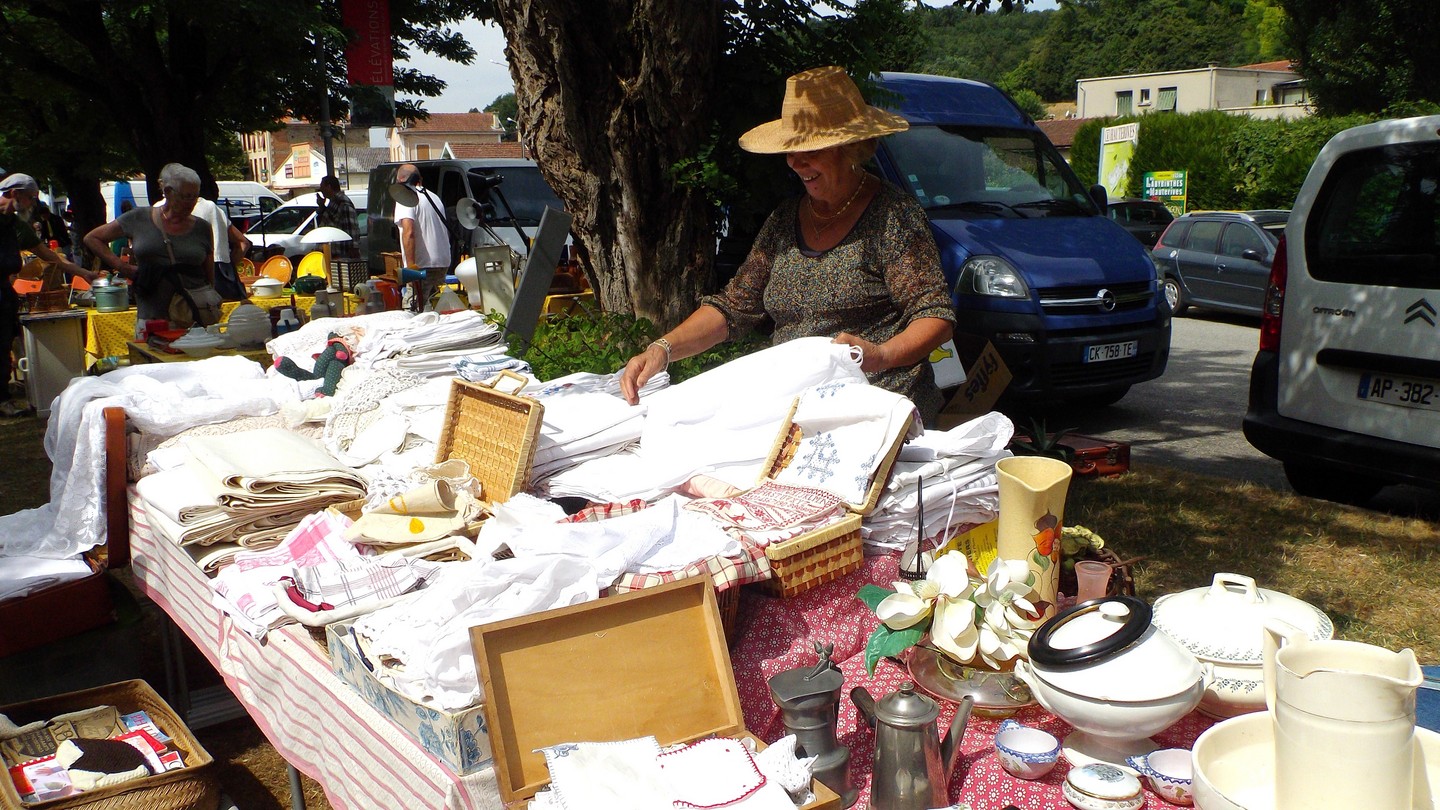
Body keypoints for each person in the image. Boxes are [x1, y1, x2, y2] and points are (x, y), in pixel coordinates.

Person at [619, 66, 956, 424]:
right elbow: (735, 306)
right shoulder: (784, 220)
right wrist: (662, 349)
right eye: (791, 150)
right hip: (795, 406)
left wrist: (881, 355)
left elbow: (934, 315)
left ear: (849, 147)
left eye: (809, 149)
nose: (795, 162)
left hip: (878, 403)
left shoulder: (893, 216)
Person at [1, 173, 95, 414]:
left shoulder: (16, 225)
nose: (33, 203)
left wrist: (84, 273)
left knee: (4, 343)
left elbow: (50, 256)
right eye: (31, 198)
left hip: (4, 291)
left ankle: (3, 399)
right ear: (15, 194)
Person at [83, 163, 219, 327]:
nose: (191, 203)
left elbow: (209, 276)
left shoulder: (202, 227)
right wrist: (122, 267)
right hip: (152, 318)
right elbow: (92, 238)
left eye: (195, 197)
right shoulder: (139, 218)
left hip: (194, 317)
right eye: (186, 196)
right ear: (168, 192)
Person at [393, 164, 451, 310]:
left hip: (422, 265)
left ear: (400, 180)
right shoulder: (434, 197)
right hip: (442, 263)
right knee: (433, 309)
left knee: (413, 311)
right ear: (420, 179)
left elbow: (409, 232)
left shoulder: (406, 197)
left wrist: (411, 270)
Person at [314, 175, 359, 259]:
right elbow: (327, 222)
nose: (321, 190)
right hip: (332, 252)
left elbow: (351, 226)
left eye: (322, 187)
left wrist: (353, 248)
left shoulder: (343, 202)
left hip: (340, 253)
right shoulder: (333, 202)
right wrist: (321, 206)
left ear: (329, 186)